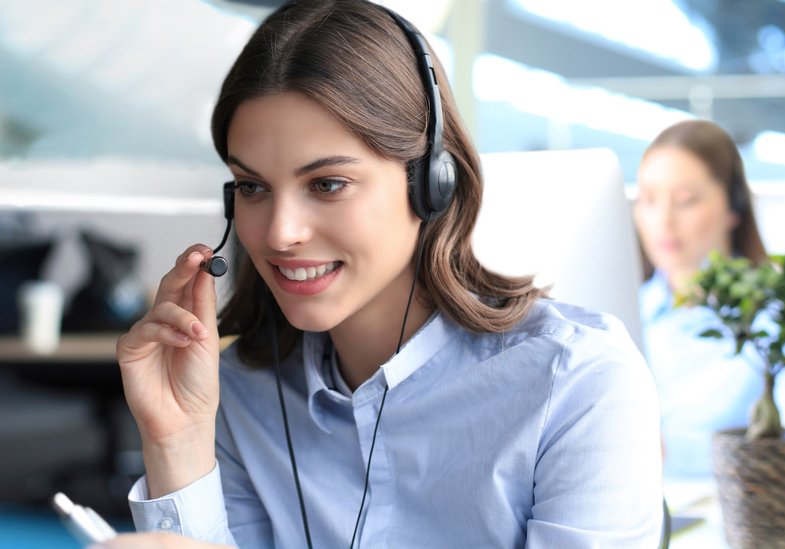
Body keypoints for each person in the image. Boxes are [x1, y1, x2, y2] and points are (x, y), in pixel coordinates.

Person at [107, 1, 663, 548]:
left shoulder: (577, 383)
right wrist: (175, 440)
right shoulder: (241, 397)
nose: (278, 233)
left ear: (430, 183)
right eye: (252, 187)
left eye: (327, 184)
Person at [633, 119, 785, 477]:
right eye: (648, 200)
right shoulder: (620, 317)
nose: (663, 219)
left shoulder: (780, 317)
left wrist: (670, 454)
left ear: (733, 208)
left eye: (686, 200)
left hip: (741, 516)